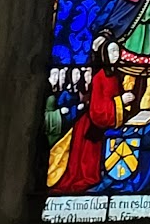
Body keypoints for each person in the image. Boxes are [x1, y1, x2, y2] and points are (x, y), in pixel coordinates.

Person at [54, 37, 128, 192]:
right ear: (104, 54)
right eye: (112, 51)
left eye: (117, 51)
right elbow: (97, 108)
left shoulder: (116, 76)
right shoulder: (99, 77)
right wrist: (120, 101)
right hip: (91, 125)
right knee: (86, 169)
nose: (116, 54)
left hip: (107, 121)